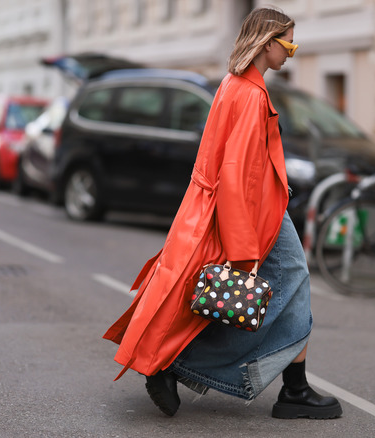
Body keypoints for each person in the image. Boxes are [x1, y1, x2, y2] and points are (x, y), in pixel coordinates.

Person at [103, 7, 342, 420]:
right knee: (281, 287)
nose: (291, 53)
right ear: (267, 43)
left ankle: (290, 386)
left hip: (235, 209)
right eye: (288, 43)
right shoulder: (250, 94)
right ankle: (286, 389)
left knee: (229, 297)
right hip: (253, 214)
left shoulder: (233, 84)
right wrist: (243, 248)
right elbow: (236, 176)